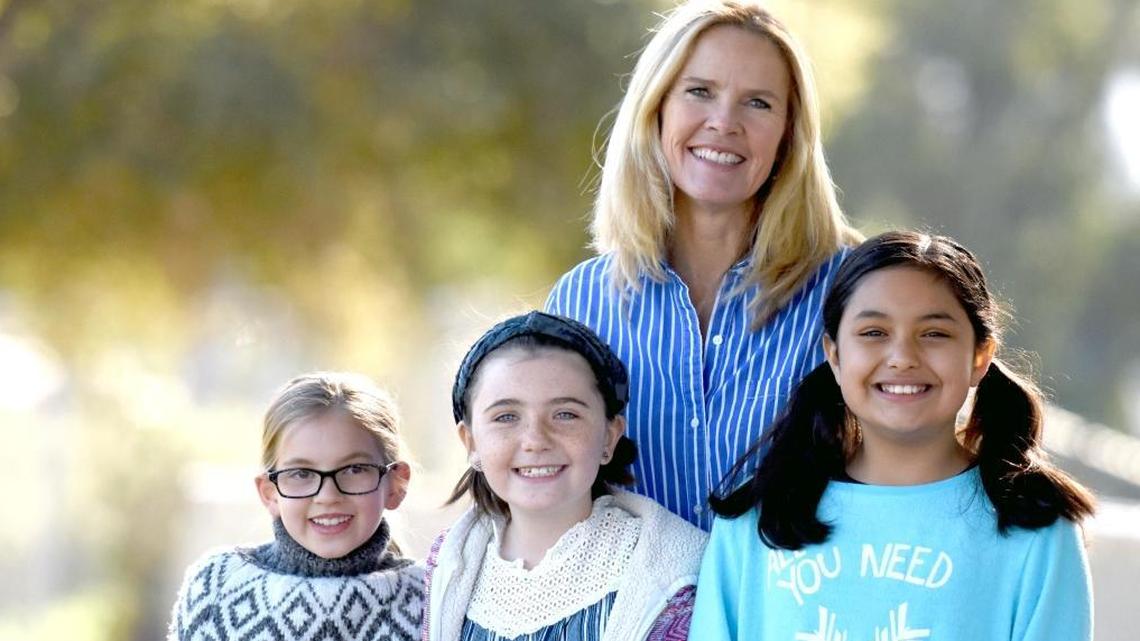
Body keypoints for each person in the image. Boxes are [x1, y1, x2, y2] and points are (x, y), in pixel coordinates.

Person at [545, 0, 862, 529]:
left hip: (798, 608)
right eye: (700, 92)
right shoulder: (580, 302)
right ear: (657, 108)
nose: (724, 123)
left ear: (789, 133)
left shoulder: (850, 291)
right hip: (630, 611)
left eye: (758, 103)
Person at [689, 231, 1097, 640]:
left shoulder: (1037, 531)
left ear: (979, 357)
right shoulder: (757, 519)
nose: (902, 357)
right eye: (873, 333)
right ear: (834, 355)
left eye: (934, 333)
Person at [422, 312, 707, 641]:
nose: (535, 439)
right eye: (506, 416)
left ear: (609, 437)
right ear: (471, 442)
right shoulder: (447, 562)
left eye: (565, 414)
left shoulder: (676, 580)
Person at [168, 372, 424, 640]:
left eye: (354, 469)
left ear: (396, 484)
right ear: (269, 493)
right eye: (301, 473)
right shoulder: (216, 587)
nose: (327, 496)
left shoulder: (429, 599)